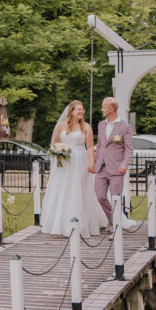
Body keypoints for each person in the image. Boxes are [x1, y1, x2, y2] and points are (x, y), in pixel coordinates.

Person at [39, 100, 107, 237]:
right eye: (78, 110)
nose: (81, 112)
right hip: (64, 163)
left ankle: (84, 221)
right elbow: (55, 143)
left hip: (80, 161)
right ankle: (60, 222)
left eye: (82, 110)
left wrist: (92, 163)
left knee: (79, 189)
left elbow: (89, 148)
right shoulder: (61, 126)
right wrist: (58, 154)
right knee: (63, 190)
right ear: (71, 111)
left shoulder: (86, 127)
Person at [92, 97, 134, 237]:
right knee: (100, 196)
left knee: (116, 198)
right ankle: (114, 220)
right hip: (101, 167)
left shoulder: (125, 127)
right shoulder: (101, 125)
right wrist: (95, 160)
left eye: (104, 107)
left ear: (112, 109)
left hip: (117, 168)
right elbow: (99, 145)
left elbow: (129, 149)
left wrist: (124, 164)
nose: (102, 109)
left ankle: (115, 227)